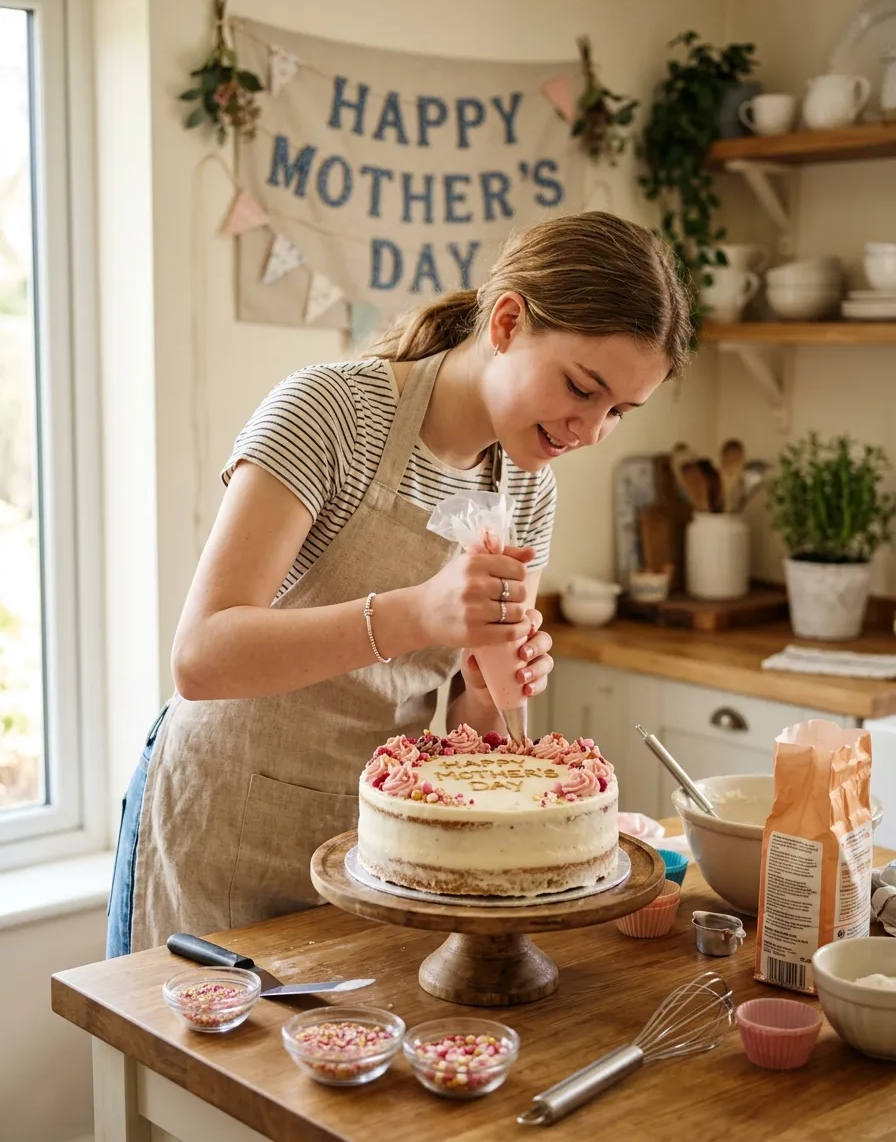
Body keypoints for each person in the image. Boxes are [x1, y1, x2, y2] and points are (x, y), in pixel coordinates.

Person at [106, 210, 694, 956]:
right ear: (508, 320)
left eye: (618, 412)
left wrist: (489, 687)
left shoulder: (527, 489)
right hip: (224, 820)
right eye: (582, 388)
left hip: (380, 850)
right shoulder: (329, 413)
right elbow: (201, 659)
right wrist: (418, 613)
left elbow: (469, 735)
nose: (588, 430)